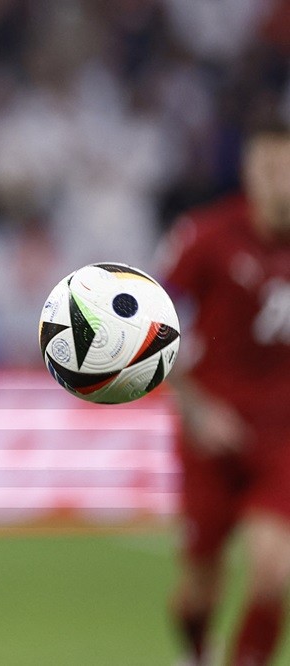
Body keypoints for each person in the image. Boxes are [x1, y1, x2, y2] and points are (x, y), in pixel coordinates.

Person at [159, 120, 290, 666]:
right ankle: (197, 652)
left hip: (281, 434)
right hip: (210, 431)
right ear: (247, 172)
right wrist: (195, 408)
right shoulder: (206, 236)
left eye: (286, 168)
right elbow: (149, 327)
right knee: (198, 589)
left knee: (272, 571)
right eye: (267, 167)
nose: (278, 180)